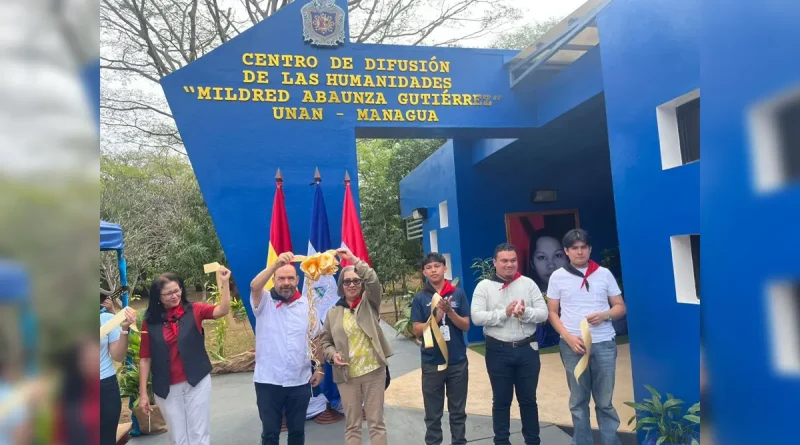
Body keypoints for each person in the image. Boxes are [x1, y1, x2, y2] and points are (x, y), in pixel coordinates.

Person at [547, 229, 626, 445]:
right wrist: (568, 337)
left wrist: (605, 315)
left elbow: (620, 307)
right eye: (575, 248)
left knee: (605, 401)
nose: (580, 252)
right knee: (578, 401)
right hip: (574, 346)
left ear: (590, 249)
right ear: (566, 251)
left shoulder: (604, 274)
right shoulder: (558, 276)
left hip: (604, 344)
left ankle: (611, 442)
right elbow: (552, 312)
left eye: (584, 247)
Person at [138, 267, 232, 445]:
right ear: (158, 297)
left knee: (199, 433)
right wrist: (143, 394)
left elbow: (222, 310)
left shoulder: (195, 310)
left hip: (197, 381)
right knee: (177, 437)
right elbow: (145, 358)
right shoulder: (149, 322)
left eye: (177, 290)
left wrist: (225, 282)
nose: (174, 296)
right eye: (168, 294)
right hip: (166, 386)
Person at [471, 242, 548, 445]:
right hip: (498, 350)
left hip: (527, 349)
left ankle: (533, 441)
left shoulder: (528, 284)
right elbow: (476, 317)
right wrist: (503, 314)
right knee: (501, 401)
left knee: (528, 400)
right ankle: (502, 441)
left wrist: (526, 312)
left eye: (513, 260)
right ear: (495, 262)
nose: (509, 264)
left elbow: (543, 313)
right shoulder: (484, 287)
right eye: (504, 260)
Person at [250, 253, 324, 445]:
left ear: (297, 280)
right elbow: (254, 286)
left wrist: (319, 368)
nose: (286, 283)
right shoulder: (264, 301)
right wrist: (275, 265)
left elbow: (316, 338)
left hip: (300, 380)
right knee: (270, 433)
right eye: (281, 278)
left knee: (297, 432)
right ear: (274, 279)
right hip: (268, 381)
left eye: (290, 278)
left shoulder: (307, 306)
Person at [321, 247, 392, 445]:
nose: (352, 284)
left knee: (376, 423)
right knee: (352, 425)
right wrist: (332, 354)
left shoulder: (370, 303)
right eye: (347, 281)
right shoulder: (333, 312)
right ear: (341, 285)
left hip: (373, 372)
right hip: (347, 376)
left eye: (356, 281)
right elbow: (325, 342)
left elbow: (373, 280)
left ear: (361, 283)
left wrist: (353, 259)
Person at [410, 252, 471, 445]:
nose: (433, 270)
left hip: (457, 362)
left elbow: (466, 325)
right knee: (433, 413)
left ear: (445, 268)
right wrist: (435, 318)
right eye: (428, 267)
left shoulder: (457, 293)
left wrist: (450, 312)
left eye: (437, 266)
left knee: (458, 412)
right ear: (424, 272)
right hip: (432, 362)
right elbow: (416, 330)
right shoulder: (420, 298)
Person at [100, 304, 135, 445]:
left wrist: (124, 329)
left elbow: (118, 356)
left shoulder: (107, 319)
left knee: (106, 439)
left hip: (104, 386)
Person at [528, 229, 569, 295]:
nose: (551, 266)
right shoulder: (526, 296)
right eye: (542, 257)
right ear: (532, 263)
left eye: (557, 255)